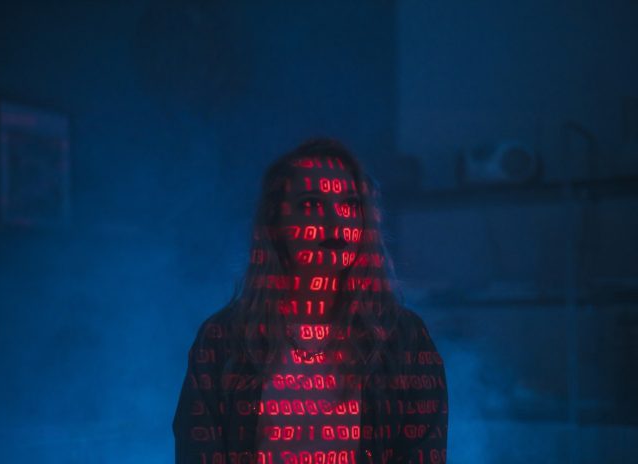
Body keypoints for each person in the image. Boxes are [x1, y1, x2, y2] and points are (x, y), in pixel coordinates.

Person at [173, 138, 448, 464]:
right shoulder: (223, 339)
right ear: (276, 225)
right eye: (312, 205)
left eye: (349, 205)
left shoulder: (404, 338)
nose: (335, 223)